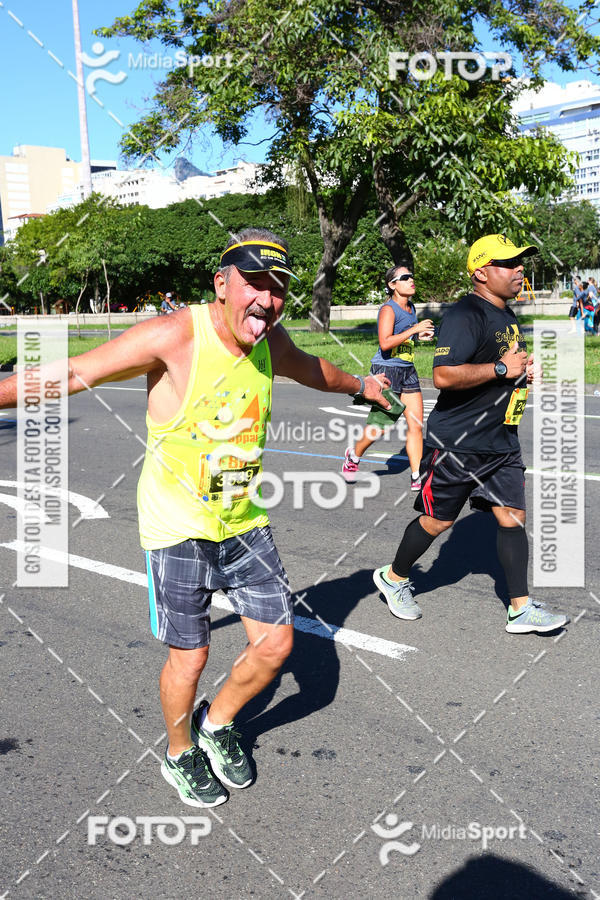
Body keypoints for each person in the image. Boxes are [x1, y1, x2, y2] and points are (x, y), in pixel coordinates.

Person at [0, 227, 389, 807]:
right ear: (222, 283)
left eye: (278, 287)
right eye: (253, 283)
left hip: (243, 521)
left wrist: (363, 385)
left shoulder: (269, 342)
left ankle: (217, 723)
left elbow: (312, 369)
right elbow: (72, 374)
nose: (266, 299)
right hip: (176, 526)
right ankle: (179, 752)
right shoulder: (172, 336)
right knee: (192, 654)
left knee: (277, 647)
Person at [372, 233, 570, 634]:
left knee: (512, 517)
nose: (519, 270)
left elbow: (505, 363)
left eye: (520, 263)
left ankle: (520, 608)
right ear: (481, 272)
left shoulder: (506, 316)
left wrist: (524, 370)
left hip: (500, 441)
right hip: (457, 443)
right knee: (438, 522)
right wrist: (502, 370)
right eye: (508, 263)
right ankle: (393, 577)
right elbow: (443, 375)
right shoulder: (465, 314)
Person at [341, 265, 434, 491]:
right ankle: (354, 455)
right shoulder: (388, 309)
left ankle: (416, 476)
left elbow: (404, 338)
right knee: (382, 425)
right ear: (393, 285)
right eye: (405, 277)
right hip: (387, 370)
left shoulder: (410, 308)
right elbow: (385, 342)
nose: (411, 279)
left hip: (408, 369)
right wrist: (413, 331)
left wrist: (420, 335)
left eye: (412, 275)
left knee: (416, 424)